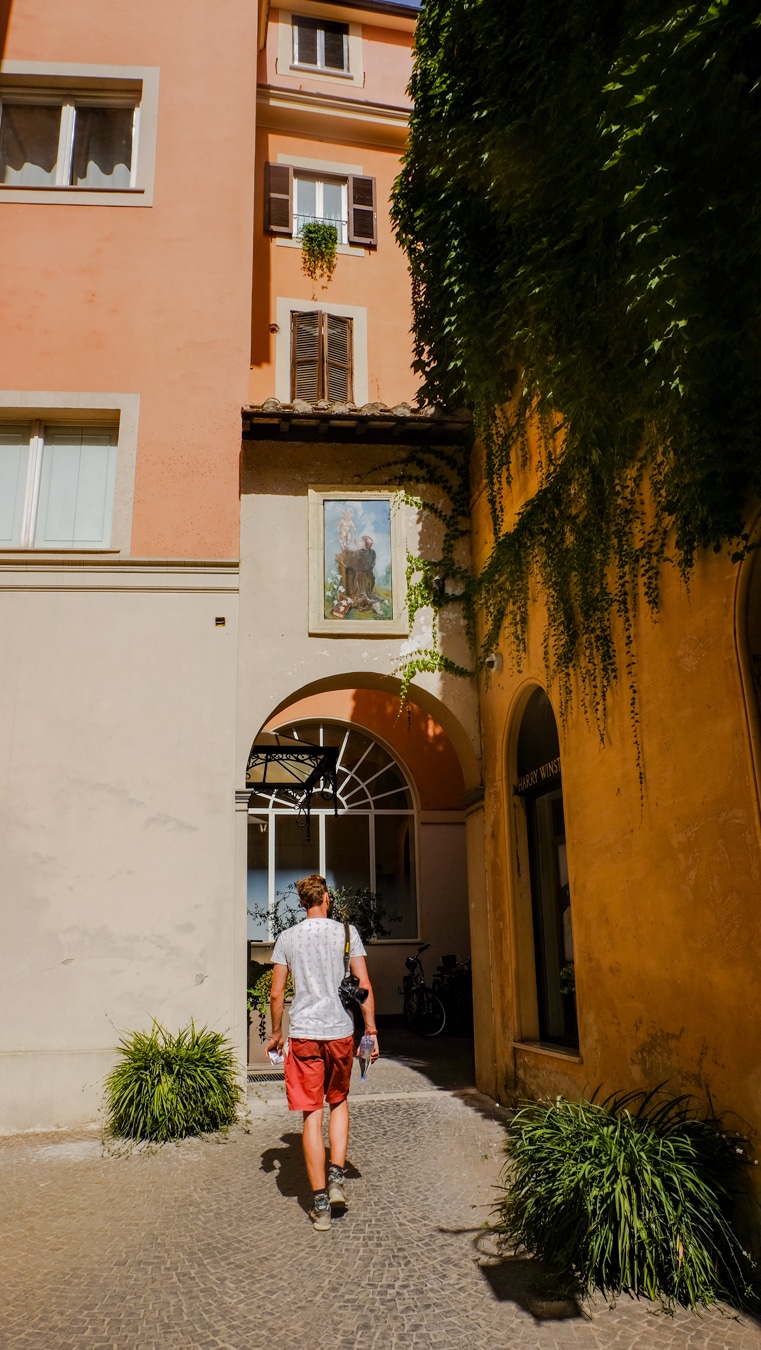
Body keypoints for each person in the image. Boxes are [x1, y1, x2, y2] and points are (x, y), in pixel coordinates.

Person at [266, 873, 379, 1230]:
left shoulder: (287, 938)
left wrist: (276, 1032)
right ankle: (336, 1181)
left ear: (303, 903)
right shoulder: (347, 933)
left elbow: (275, 994)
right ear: (327, 898)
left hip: (303, 1035)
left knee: (311, 1114)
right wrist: (372, 1030)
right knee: (339, 1101)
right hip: (340, 1031)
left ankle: (319, 1205)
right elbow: (364, 984)